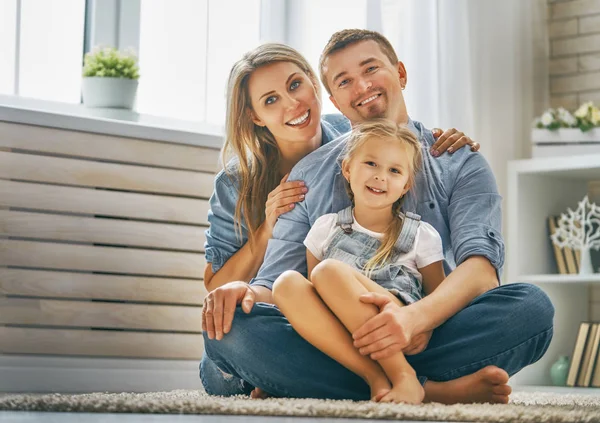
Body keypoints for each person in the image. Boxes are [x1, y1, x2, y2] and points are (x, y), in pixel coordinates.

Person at [201, 30, 553, 404]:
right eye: (345, 81)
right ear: (335, 99)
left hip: (427, 328)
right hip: (329, 332)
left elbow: (482, 271)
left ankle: (320, 381)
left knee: (532, 308)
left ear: (400, 73)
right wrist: (245, 291)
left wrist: (412, 320)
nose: (363, 86)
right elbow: (275, 283)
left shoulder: (458, 160)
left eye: (371, 69)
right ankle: (430, 388)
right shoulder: (306, 174)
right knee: (229, 330)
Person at [204, 43, 475, 294]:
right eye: (270, 100)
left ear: (313, 80)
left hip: (373, 291)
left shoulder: (355, 133)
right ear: (254, 116)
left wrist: (442, 143)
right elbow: (216, 285)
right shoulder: (236, 182)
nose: (292, 103)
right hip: (283, 303)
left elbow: (401, 139)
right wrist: (266, 229)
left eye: (295, 85)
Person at [273, 120, 446, 404]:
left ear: (405, 186)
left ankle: (404, 376)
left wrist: (423, 327)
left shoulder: (421, 236)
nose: (381, 177)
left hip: (395, 324)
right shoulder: (325, 228)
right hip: (345, 335)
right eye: (371, 164)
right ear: (348, 169)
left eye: (394, 170)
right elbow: (314, 299)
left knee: (327, 271)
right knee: (287, 283)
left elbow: (438, 299)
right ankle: (374, 378)